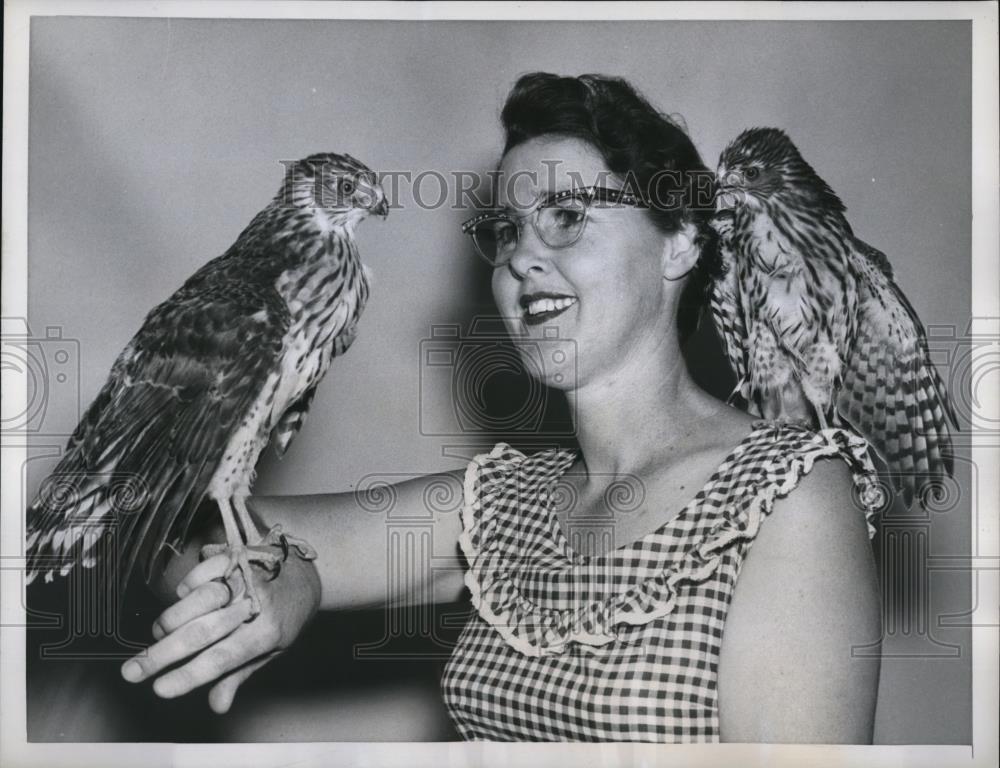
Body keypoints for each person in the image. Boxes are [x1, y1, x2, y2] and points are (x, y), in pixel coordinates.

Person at [120, 72, 883, 743]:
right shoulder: (501, 505)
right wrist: (289, 577)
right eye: (505, 231)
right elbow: (170, 535)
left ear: (681, 241)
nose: (520, 255)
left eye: (568, 216)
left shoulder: (790, 496)